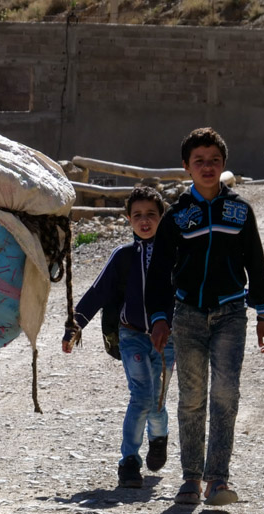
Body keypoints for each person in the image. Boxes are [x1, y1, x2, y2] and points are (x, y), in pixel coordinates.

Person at [146, 127, 264, 507]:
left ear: (224, 166)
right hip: (187, 315)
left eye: (214, 161)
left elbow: (256, 263)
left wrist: (263, 314)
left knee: (225, 394)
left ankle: (218, 479)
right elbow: (160, 273)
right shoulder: (177, 217)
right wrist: (159, 318)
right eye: (199, 161)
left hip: (232, 312)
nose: (207, 167)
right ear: (186, 167)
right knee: (191, 398)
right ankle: (191, 478)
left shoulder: (240, 211)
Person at [63, 186, 175, 489]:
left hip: (167, 340)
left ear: (162, 217)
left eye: (151, 214)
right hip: (132, 336)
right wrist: (75, 325)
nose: (145, 220)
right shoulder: (122, 256)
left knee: (157, 402)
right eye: (137, 215)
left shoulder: (175, 255)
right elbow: (98, 292)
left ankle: (159, 437)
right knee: (140, 396)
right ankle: (128, 462)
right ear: (128, 219)